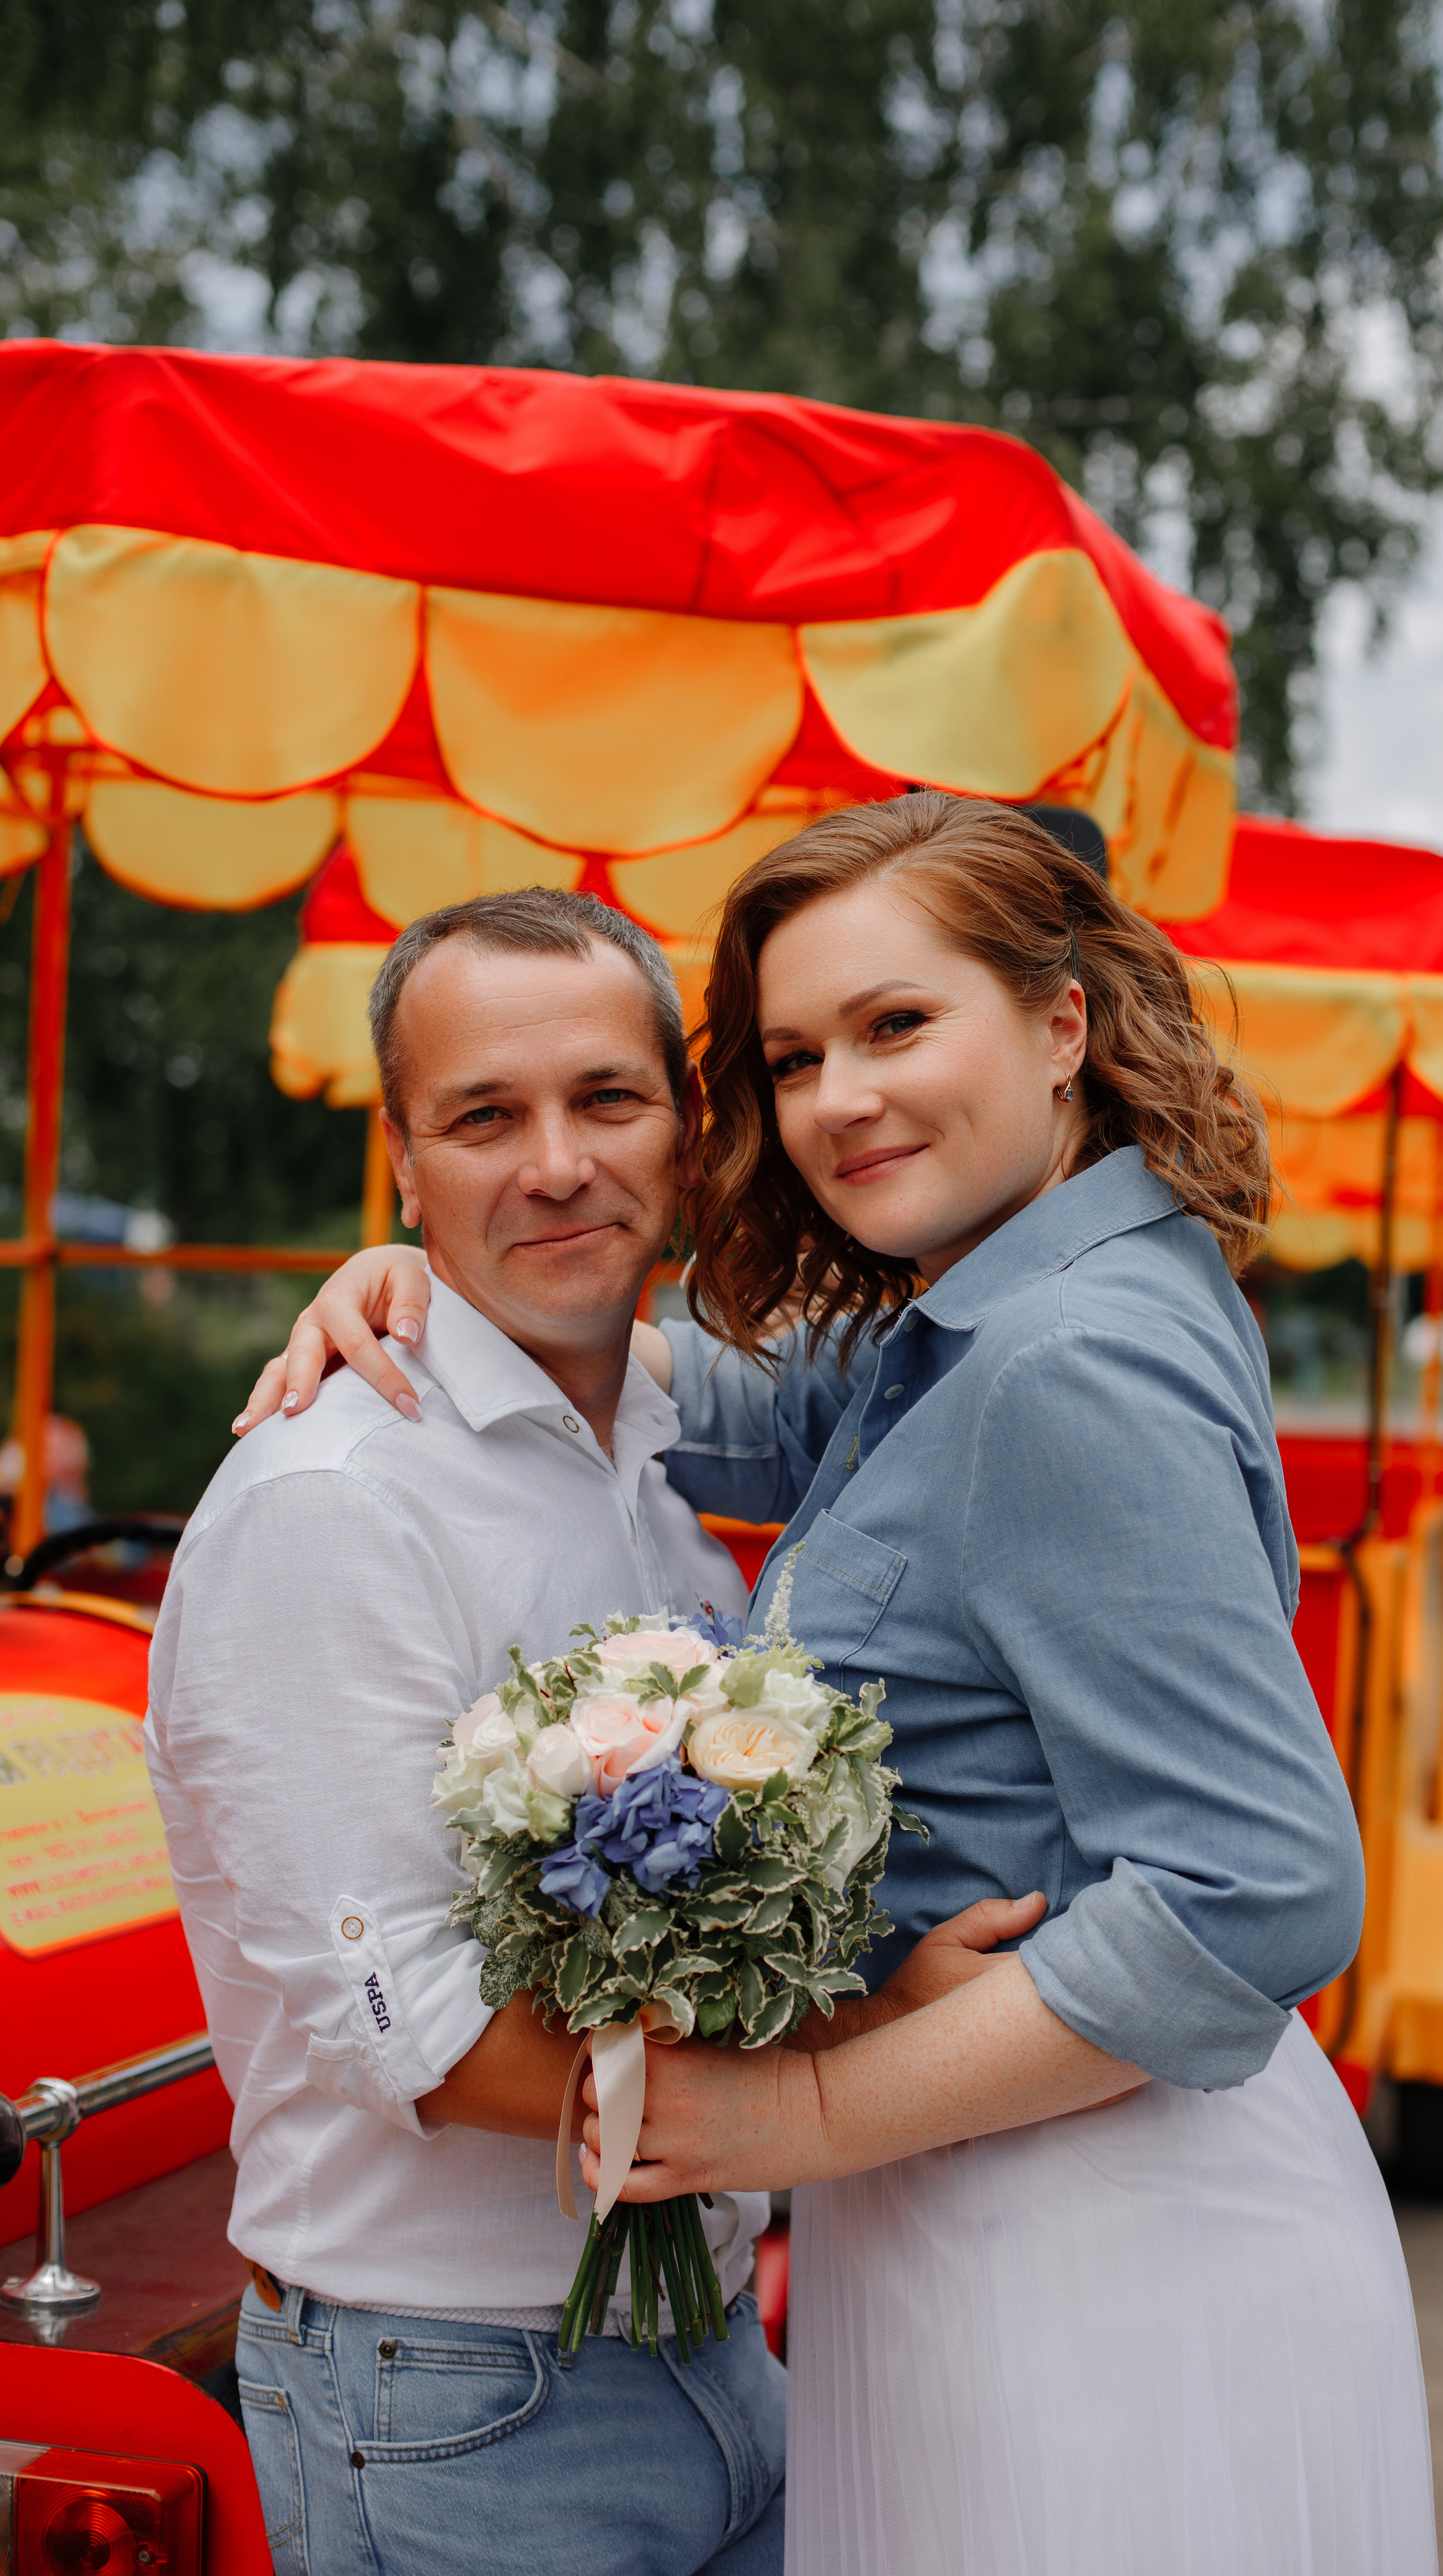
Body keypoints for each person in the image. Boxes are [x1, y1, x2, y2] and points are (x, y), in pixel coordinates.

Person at [240, 797, 1439, 2574]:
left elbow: (1260, 1885)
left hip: (1091, 2231)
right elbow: (735, 1398)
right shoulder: (1000, 1306)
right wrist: (439, 1278)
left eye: (897, 1025)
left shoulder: (1061, 1357)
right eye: (795, 1057)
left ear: (1061, 1020)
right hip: (1008, 2182)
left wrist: (800, 2105)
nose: (839, 1101)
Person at [149, 890, 790, 2576]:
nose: (556, 1163)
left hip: (714, 2335)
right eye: (483, 1117)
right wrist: (858, 2074)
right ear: (403, 1161)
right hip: (461, 2393)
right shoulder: (332, 1497)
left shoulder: (667, 1434)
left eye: (604, 1099)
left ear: (689, 1122)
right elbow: (410, 2028)